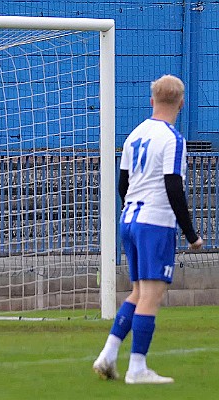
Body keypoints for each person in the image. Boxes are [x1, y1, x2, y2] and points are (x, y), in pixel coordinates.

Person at [93, 75, 203, 384]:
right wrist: (191, 233)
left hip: (130, 219)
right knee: (152, 296)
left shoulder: (134, 134)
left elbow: (123, 184)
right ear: (182, 103)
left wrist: (132, 209)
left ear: (151, 100)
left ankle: (108, 355)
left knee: (138, 292)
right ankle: (137, 369)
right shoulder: (173, 139)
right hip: (154, 223)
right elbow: (173, 186)